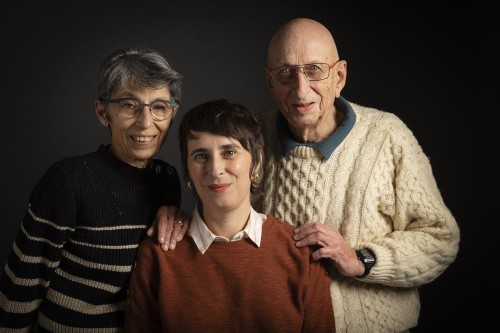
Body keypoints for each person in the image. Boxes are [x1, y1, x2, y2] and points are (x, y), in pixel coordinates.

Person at [153, 18, 461, 333]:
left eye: (315, 70)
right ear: (270, 81)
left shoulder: (387, 137)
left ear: (339, 76)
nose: (301, 90)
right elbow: (221, 214)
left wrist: (360, 260)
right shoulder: (251, 136)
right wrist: (180, 219)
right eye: (285, 74)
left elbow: (439, 240)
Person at [0, 46, 184, 332]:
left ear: (173, 114)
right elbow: (23, 284)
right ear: (102, 112)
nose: (146, 122)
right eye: (128, 105)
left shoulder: (168, 180)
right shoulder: (68, 180)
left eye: (159, 107)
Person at [123, 99, 335, 333]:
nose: (215, 169)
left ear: (256, 161)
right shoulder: (159, 255)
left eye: (230, 152)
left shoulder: (301, 256)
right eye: (201, 156)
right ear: (188, 171)